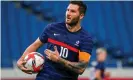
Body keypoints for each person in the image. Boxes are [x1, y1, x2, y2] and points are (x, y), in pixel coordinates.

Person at [17, 1, 93, 80]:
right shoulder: (52, 28)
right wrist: (21, 60)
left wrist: (59, 60)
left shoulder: (85, 39)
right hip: (44, 77)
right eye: (67, 10)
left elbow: (81, 68)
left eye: (73, 11)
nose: (68, 13)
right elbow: (35, 45)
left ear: (81, 16)